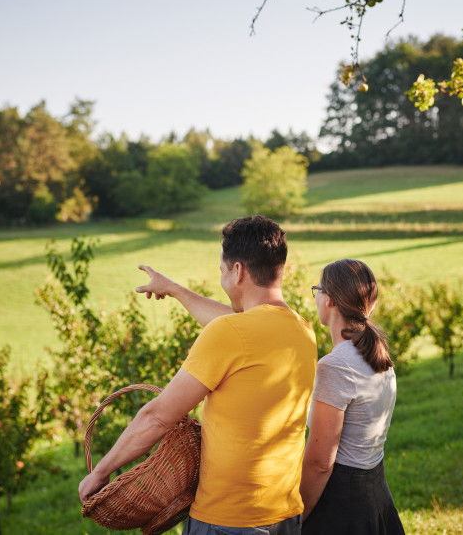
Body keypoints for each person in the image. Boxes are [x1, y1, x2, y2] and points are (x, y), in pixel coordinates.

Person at [78, 215, 317, 535]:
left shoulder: (230, 333)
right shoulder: (301, 330)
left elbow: (158, 416)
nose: (222, 279)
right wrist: (174, 289)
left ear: (238, 271)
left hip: (228, 520)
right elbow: (236, 325)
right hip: (284, 513)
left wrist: (101, 472)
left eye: (222, 271)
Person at [300, 259, 405, 535]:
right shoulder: (377, 355)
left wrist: (296, 519)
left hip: (340, 507)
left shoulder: (336, 366)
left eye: (317, 290)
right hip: (375, 495)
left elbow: (320, 463)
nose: (316, 298)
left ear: (330, 300)